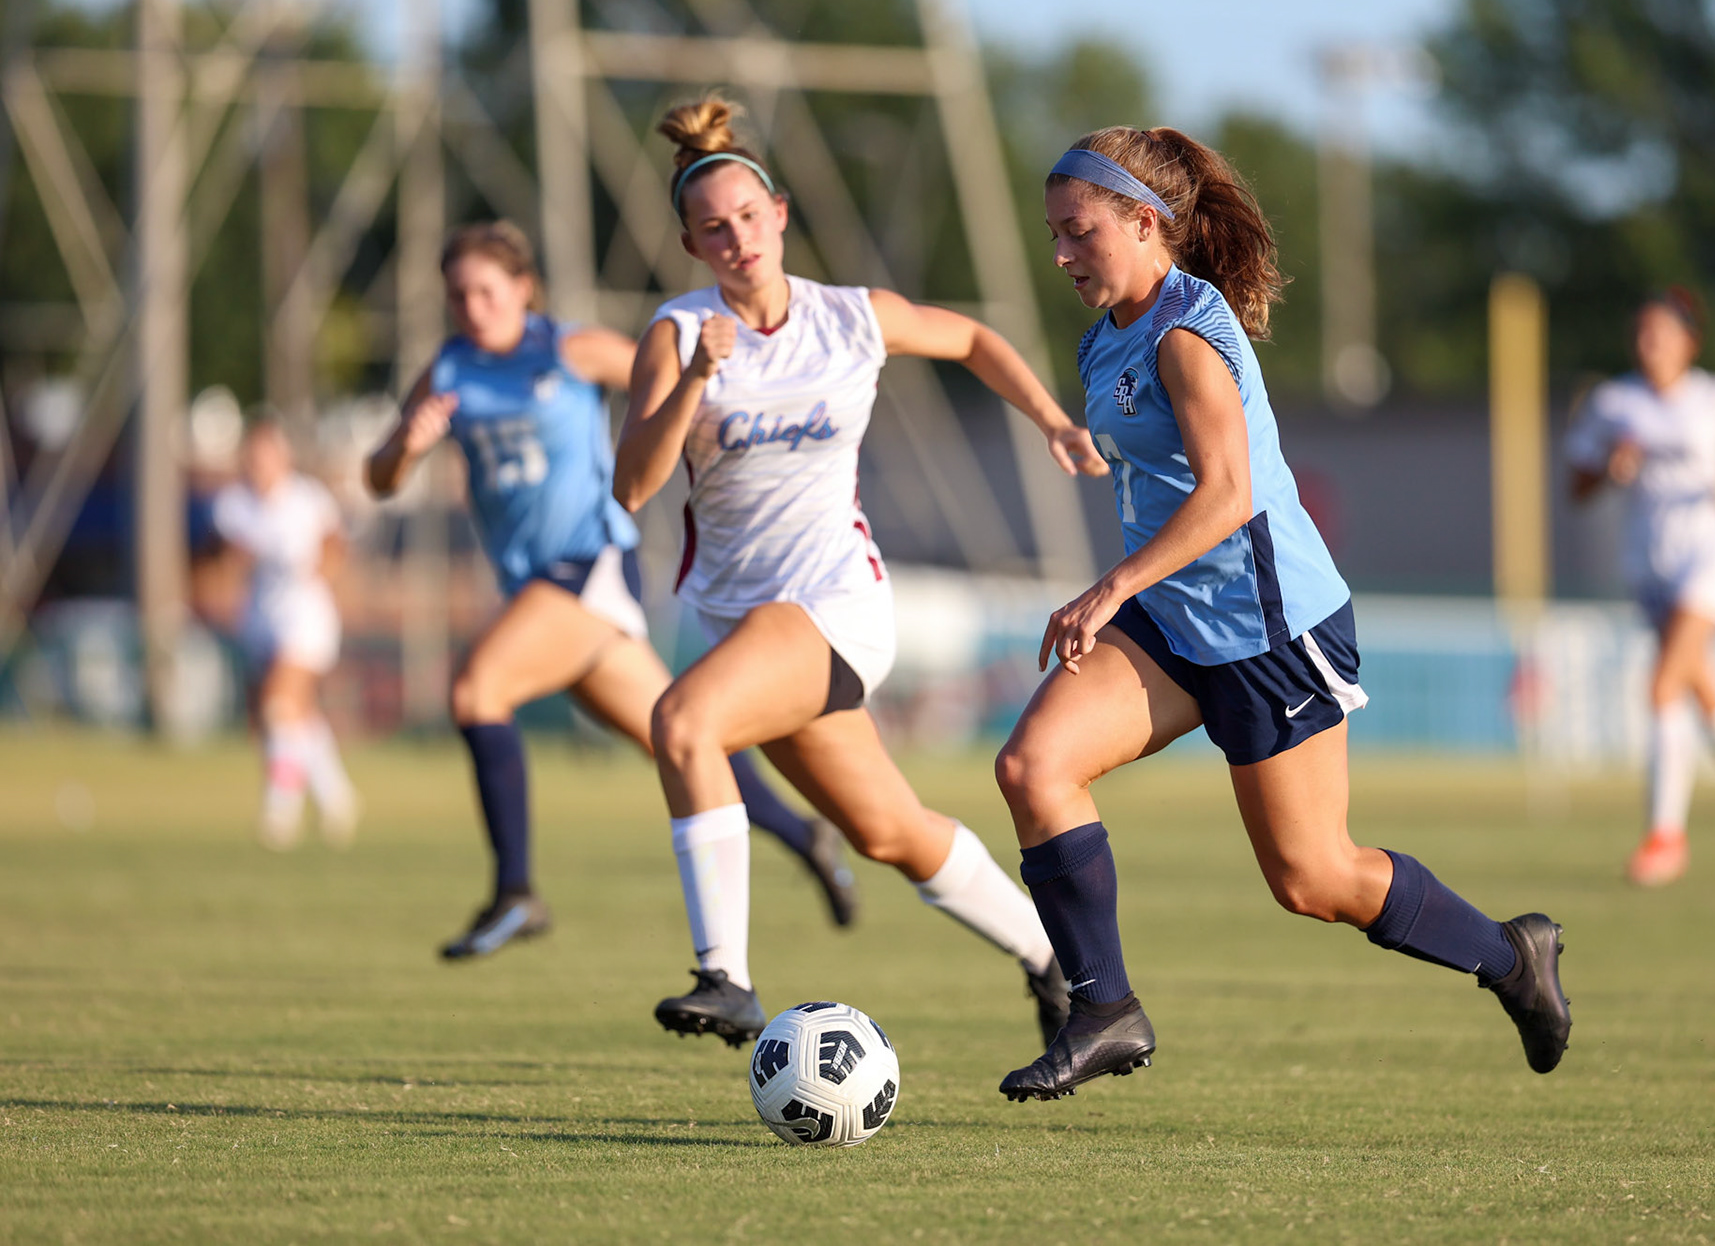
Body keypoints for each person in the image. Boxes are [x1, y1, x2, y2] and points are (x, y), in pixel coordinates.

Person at [991, 127, 1571, 1103]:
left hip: (1269, 628)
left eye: (1078, 232)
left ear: (1146, 222)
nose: (1061, 255)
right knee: (1033, 766)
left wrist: (1110, 585)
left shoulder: (1184, 331)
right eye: (1053, 234)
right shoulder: (1106, 336)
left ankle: (1511, 955)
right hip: (1175, 621)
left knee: (1313, 878)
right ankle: (1104, 1008)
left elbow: (1228, 495)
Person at [613, 96, 1102, 1049]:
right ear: (689, 243)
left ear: (782, 214)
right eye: (714, 228)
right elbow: (633, 485)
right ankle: (1059, 963)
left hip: (837, 606)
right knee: (889, 831)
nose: (737, 239)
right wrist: (695, 380)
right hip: (749, 626)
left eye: (750, 218)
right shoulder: (678, 337)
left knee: (682, 721)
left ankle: (726, 978)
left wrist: (1049, 418)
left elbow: (968, 338)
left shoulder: (849, 319)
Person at [365, 220, 856, 961]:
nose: (473, 307)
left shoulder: (570, 349)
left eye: (487, 291)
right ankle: (802, 832)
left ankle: (515, 892)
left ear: (523, 289)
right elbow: (378, 479)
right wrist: (406, 444)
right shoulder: (449, 371)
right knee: (681, 739)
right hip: (536, 589)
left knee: (475, 691)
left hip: (587, 567)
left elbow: (678, 394)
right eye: (459, 295)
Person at [1567, 290, 1715, 887]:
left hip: (1709, 559)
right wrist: (1609, 468)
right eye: (1641, 333)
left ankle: (1665, 836)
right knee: (1703, 691)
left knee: (1663, 685)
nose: (1648, 343)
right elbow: (1578, 486)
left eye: (1661, 333)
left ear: (1688, 341)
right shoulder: (1614, 401)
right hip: (1650, 567)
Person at [208, 417, 359, 851]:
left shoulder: (308, 499)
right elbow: (223, 556)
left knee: (280, 705)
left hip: (305, 619)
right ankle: (337, 795)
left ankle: (282, 804)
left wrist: (320, 570)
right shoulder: (233, 505)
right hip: (260, 619)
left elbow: (335, 548)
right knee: (295, 717)